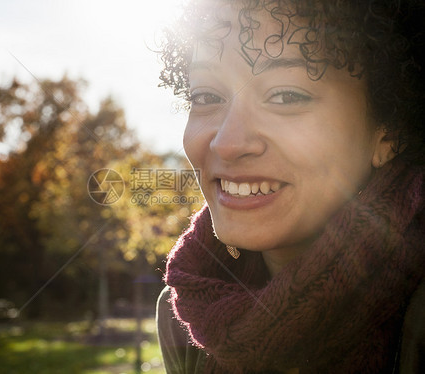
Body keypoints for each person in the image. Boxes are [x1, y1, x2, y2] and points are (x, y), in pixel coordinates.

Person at [156, 0, 425, 373]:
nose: (227, 143)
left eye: (285, 95)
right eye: (205, 97)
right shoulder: (183, 313)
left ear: (389, 131)